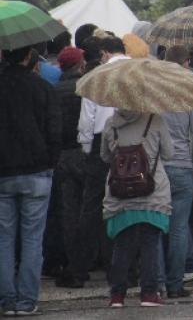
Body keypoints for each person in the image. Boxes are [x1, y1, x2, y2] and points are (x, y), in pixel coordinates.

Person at [0, 46, 61, 316]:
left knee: (4, 238)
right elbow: (55, 130)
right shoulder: (43, 88)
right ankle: (27, 300)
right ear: (28, 57)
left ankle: (7, 300)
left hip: (3, 172)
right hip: (37, 171)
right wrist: (50, 160)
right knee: (32, 239)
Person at [69, 36, 129, 287]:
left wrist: (87, 148)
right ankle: (127, 269)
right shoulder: (139, 71)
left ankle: (79, 269)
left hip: (100, 143)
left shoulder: (96, 77)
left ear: (104, 53)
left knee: (93, 207)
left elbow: (87, 121)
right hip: (133, 144)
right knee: (129, 204)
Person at [101, 110, 173, 308]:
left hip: (119, 194)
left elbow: (105, 156)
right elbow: (169, 153)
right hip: (152, 192)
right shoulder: (156, 119)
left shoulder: (111, 123)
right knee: (150, 243)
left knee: (122, 245)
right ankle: (149, 293)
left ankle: (117, 296)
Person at [160, 46, 193, 299]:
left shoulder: (153, 88)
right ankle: (175, 284)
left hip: (157, 168)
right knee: (179, 228)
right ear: (186, 63)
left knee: (155, 226)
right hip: (182, 166)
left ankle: (154, 282)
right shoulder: (191, 89)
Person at [52, 47, 89, 289]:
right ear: (79, 64)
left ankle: (71, 263)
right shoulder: (86, 89)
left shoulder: (53, 90)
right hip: (83, 152)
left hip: (62, 155)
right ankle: (86, 262)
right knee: (89, 210)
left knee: (68, 213)